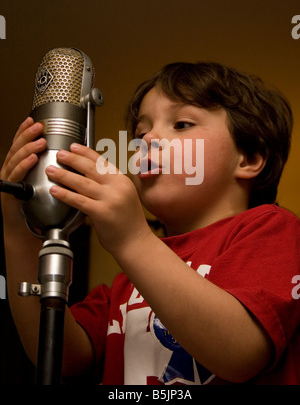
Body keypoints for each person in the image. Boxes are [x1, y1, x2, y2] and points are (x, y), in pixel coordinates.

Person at [1, 61, 300, 385]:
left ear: (250, 157)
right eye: (140, 132)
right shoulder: (124, 285)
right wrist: (18, 231)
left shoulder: (271, 230)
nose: (147, 139)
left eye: (182, 124)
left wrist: (132, 240)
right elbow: (60, 357)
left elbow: (242, 352)